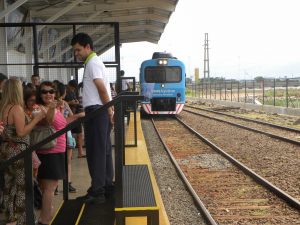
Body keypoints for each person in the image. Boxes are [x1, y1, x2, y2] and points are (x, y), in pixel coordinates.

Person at [71, 32, 114, 204]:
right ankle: (105, 185)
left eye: (78, 50)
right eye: (75, 51)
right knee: (103, 151)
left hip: (96, 111)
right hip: (100, 110)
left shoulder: (92, 64)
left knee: (96, 152)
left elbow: (102, 89)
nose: (76, 54)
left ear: (88, 47)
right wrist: (108, 110)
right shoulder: (95, 62)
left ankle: (98, 191)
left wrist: (108, 110)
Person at [0, 78, 45, 225]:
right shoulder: (16, 108)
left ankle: (10, 217)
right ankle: (21, 219)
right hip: (18, 151)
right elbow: (21, 132)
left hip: (6, 150)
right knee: (22, 186)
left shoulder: (3, 107)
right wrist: (36, 119)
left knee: (9, 185)